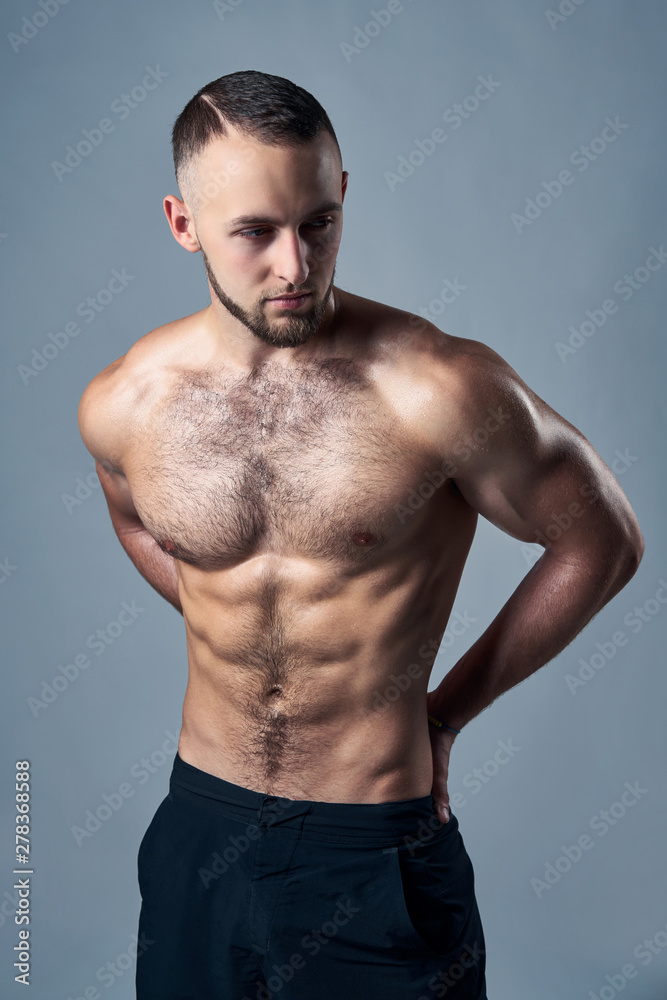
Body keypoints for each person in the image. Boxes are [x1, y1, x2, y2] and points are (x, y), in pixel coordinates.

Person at [77, 69, 644, 999]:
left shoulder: (440, 389)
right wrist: (234, 628)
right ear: (184, 224)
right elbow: (135, 516)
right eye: (254, 233)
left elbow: (602, 541)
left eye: (317, 225)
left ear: (343, 197)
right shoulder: (125, 403)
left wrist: (446, 712)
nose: (295, 266)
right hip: (200, 831)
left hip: (369, 844)